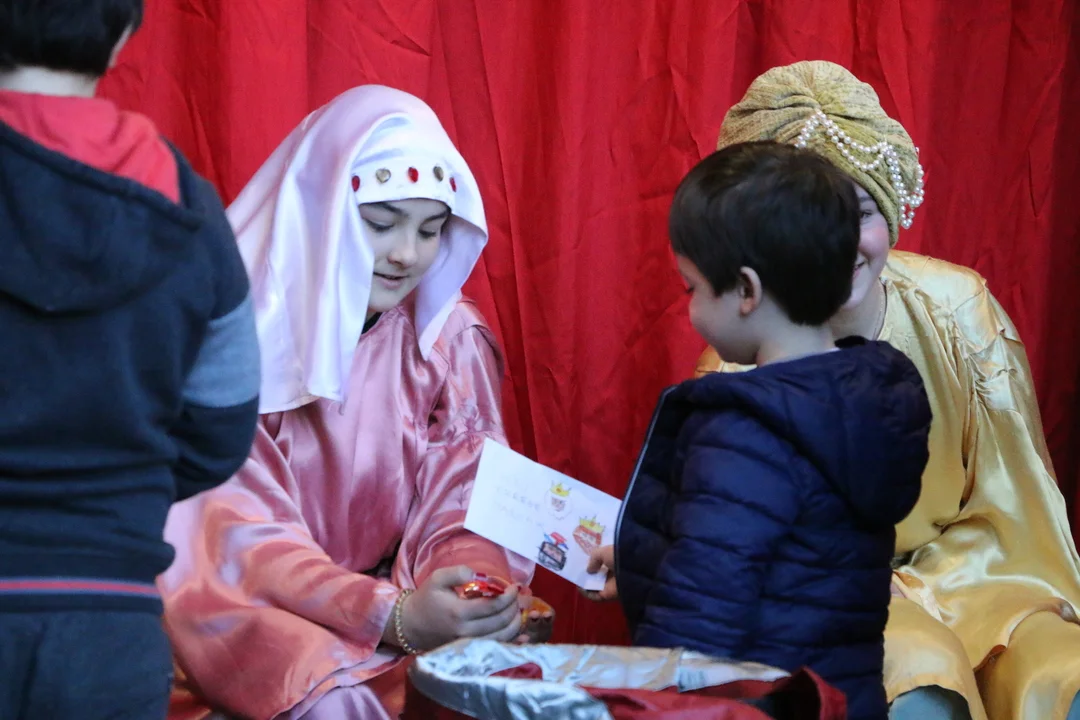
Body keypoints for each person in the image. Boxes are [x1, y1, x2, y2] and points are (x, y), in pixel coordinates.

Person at [621, 60, 1080, 720]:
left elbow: (1019, 497)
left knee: (1060, 672)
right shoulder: (737, 384)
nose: (834, 245)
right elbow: (718, 567)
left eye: (855, 213)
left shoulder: (955, 308)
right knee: (918, 672)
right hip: (847, 605)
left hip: (983, 575)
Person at [160, 85, 553, 720]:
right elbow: (241, 541)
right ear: (319, 210)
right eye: (380, 223)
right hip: (255, 613)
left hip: (396, 604)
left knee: (494, 680)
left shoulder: (447, 337)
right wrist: (390, 616)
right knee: (331, 701)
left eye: (430, 230)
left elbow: (466, 496)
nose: (406, 254)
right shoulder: (237, 336)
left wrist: (467, 594)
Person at [0, 1, 260, 718]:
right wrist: (119, 489)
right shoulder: (191, 209)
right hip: (109, 628)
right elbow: (223, 426)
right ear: (121, 38)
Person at [613, 140, 931, 719]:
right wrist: (643, 562)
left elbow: (695, 633)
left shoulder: (747, 428)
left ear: (746, 290)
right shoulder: (865, 405)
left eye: (690, 287)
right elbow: (782, 564)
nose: (689, 306)